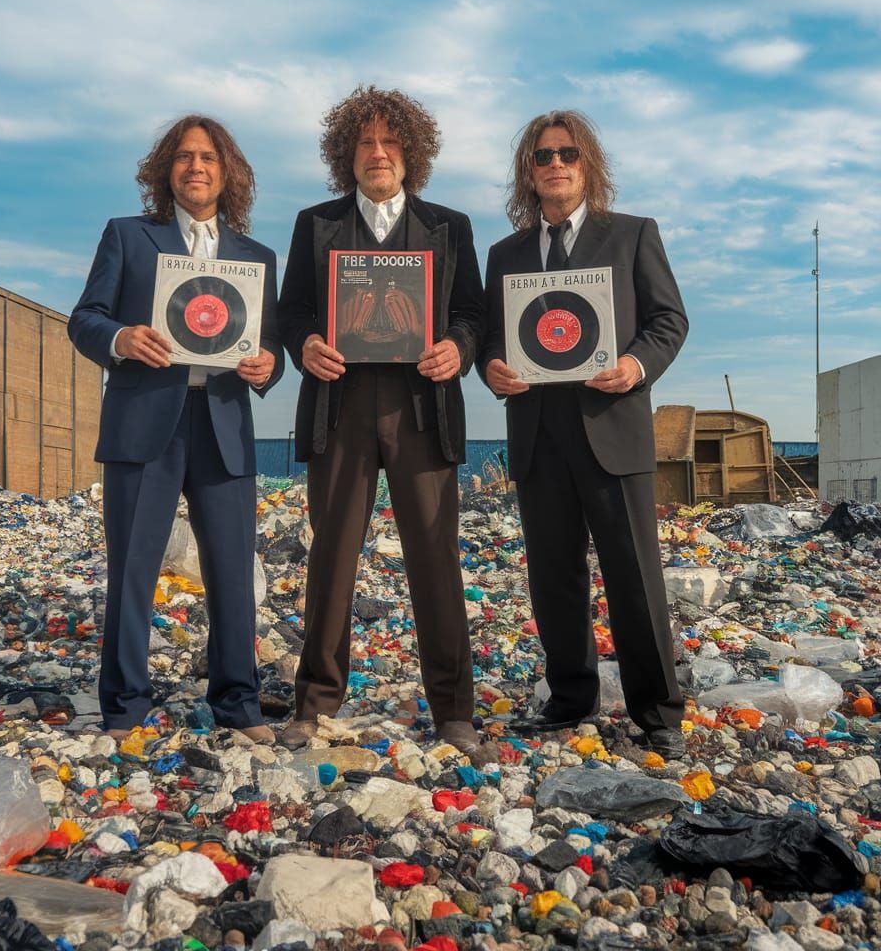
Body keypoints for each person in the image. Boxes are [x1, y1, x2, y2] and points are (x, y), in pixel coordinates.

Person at [277, 85, 489, 758]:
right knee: (332, 556)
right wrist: (306, 343)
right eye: (364, 142)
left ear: (411, 152)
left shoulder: (448, 226)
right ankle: (314, 700)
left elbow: (473, 313)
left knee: (434, 558)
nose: (377, 152)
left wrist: (459, 347)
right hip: (340, 406)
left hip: (421, 408)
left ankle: (454, 707)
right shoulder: (315, 224)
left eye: (390, 141)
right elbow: (291, 310)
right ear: (347, 154)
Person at [479, 109, 689, 757]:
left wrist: (634, 365)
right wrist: (491, 368)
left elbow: (669, 320)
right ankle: (571, 697)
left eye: (567, 153)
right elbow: (492, 338)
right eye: (542, 155)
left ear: (587, 164)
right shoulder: (505, 254)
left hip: (614, 432)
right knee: (553, 577)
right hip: (538, 436)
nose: (555, 164)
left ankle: (657, 712)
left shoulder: (631, 236)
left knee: (634, 575)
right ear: (529, 171)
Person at [68, 114, 282, 743]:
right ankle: (126, 706)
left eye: (208, 157)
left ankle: (238, 704)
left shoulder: (256, 256)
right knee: (133, 570)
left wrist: (269, 364)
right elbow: (85, 318)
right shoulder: (130, 238)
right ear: (167, 169)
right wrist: (120, 338)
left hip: (222, 424)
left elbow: (268, 344)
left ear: (227, 172)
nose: (196, 167)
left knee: (233, 572)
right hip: (144, 422)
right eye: (184, 156)